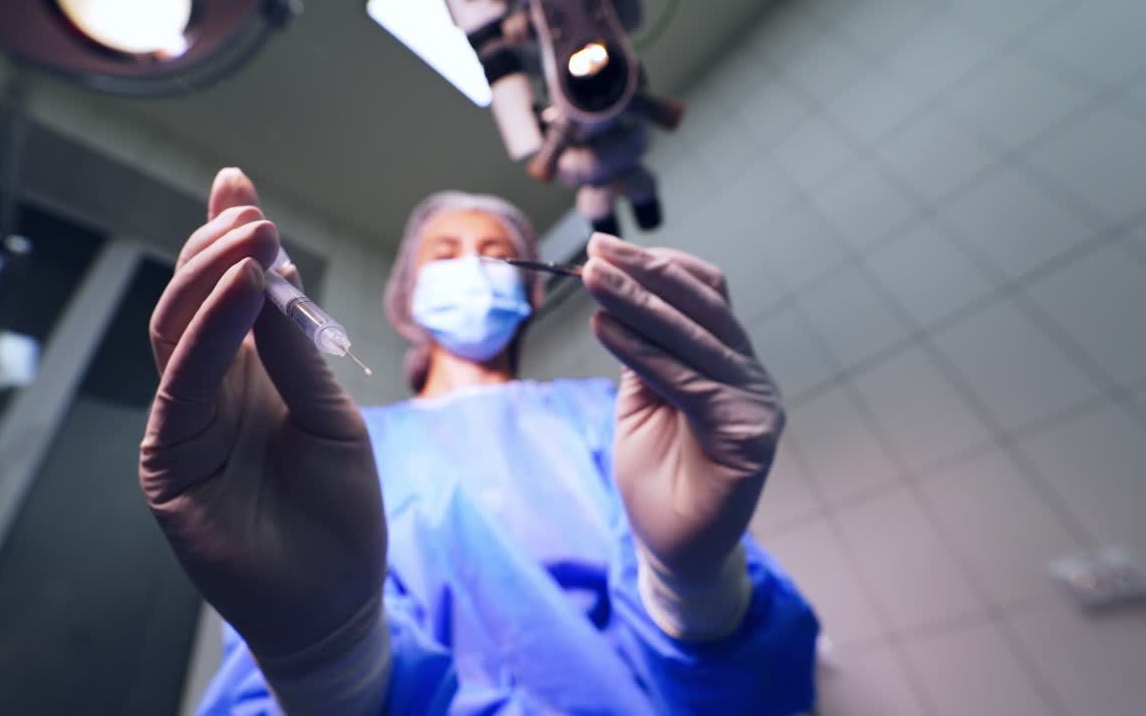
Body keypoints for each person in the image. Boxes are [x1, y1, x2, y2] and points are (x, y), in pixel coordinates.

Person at [140, 168, 820, 715]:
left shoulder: (616, 416)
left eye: (496, 255)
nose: (472, 267)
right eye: (446, 252)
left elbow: (758, 689)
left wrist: (696, 586)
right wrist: (327, 662)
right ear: (407, 298)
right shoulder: (319, 449)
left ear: (528, 294)